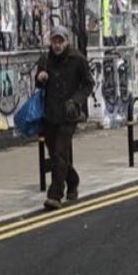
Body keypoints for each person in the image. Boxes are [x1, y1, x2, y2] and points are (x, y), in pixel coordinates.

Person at [35, 25, 94, 210]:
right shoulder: (45, 60)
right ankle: (73, 181)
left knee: (60, 154)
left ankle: (55, 195)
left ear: (67, 41)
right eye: (54, 41)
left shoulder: (77, 59)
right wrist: (40, 78)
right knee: (56, 156)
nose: (57, 45)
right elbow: (37, 86)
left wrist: (75, 101)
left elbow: (88, 84)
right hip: (50, 114)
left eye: (61, 41)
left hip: (68, 115)